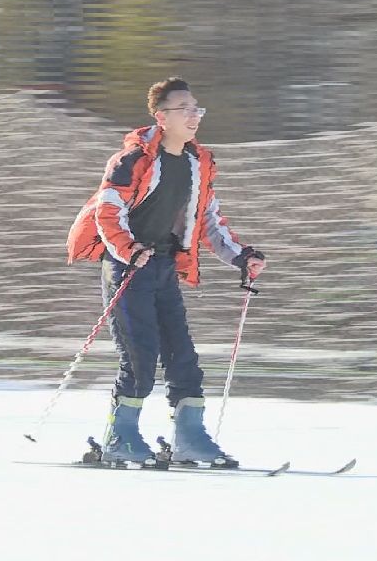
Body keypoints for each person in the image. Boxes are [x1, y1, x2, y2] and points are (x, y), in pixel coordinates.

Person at [66, 77, 266, 468]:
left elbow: (209, 219)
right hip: (126, 267)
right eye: (185, 109)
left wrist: (241, 256)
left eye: (197, 108)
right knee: (140, 355)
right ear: (161, 117)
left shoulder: (198, 163)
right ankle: (120, 439)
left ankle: (190, 438)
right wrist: (128, 250)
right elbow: (107, 212)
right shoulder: (132, 160)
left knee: (183, 358)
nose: (195, 115)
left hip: (163, 267)